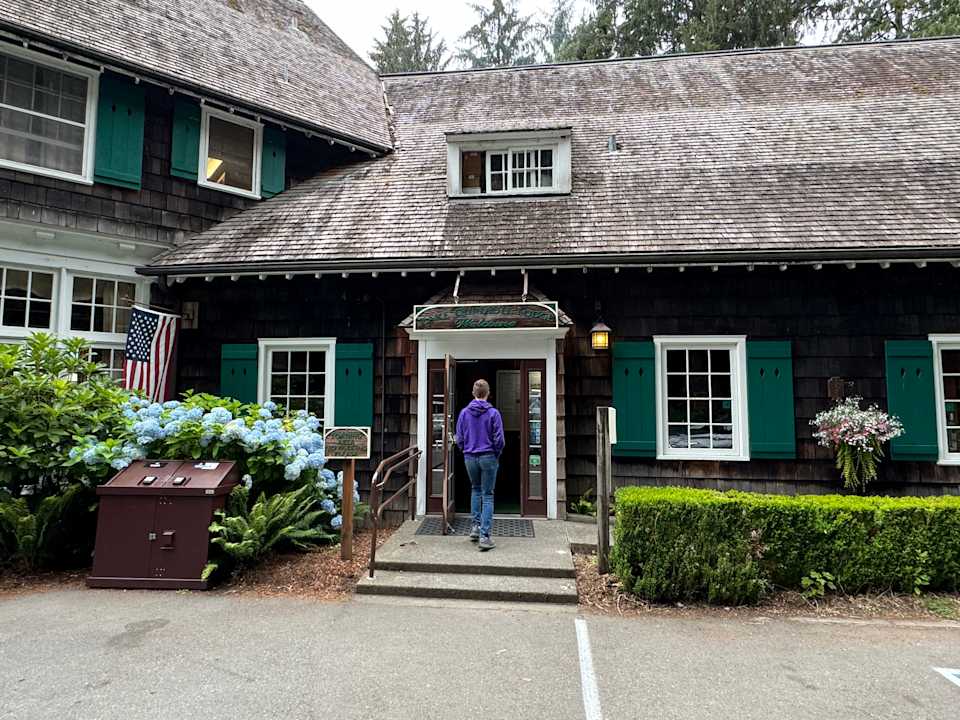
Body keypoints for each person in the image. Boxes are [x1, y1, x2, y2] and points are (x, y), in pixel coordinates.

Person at [455, 379, 504, 551]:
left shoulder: (463, 413)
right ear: (488, 393)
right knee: (488, 495)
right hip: (488, 456)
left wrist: (465, 450)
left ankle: (475, 528)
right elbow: (500, 440)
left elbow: (458, 438)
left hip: (470, 457)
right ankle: (485, 536)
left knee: (475, 489)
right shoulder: (493, 413)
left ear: (473, 393)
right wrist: (495, 454)